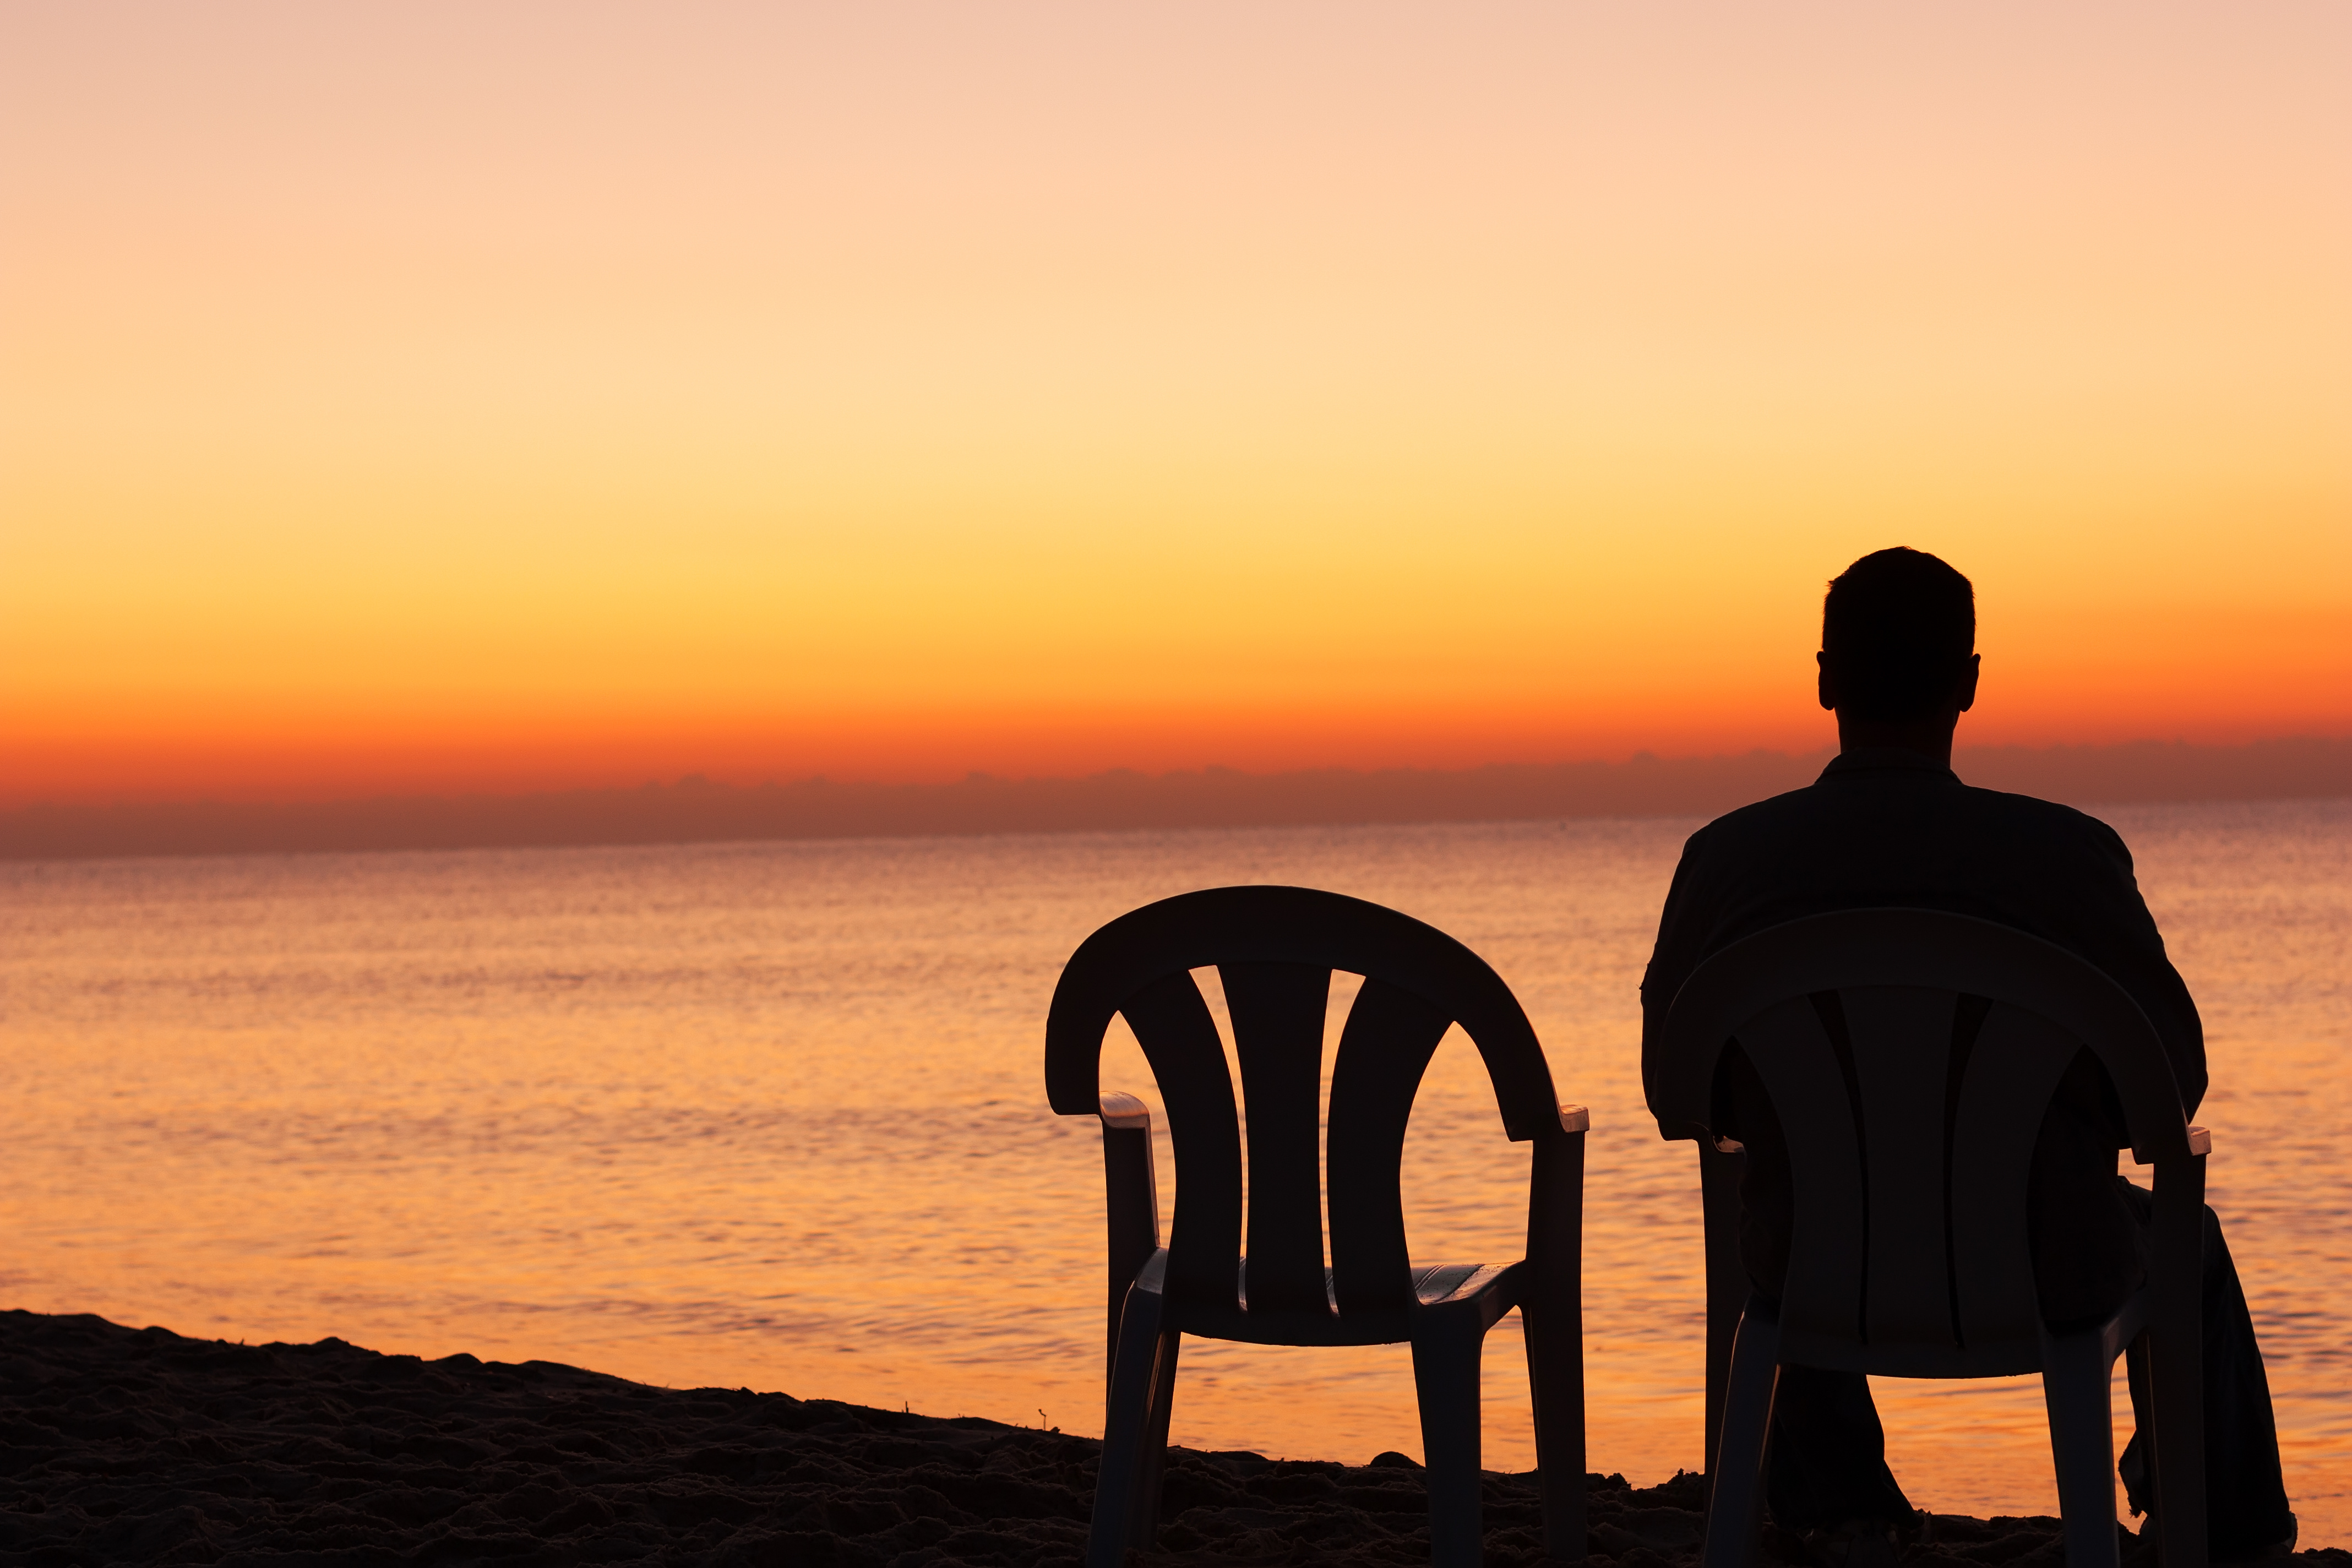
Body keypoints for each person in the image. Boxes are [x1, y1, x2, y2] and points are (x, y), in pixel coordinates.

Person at [1638, 547, 2295, 1562]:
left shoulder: (1727, 862)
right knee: (2184, 1238)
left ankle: (1832, 1498)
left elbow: (1678, 1096)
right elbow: (2169, 1091)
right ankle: (2223, 1532)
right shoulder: (2069, 858)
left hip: (1812, 1267)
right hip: (2046, 1267)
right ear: (1971, 684)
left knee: (1790, 1181)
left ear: (1823, 681)